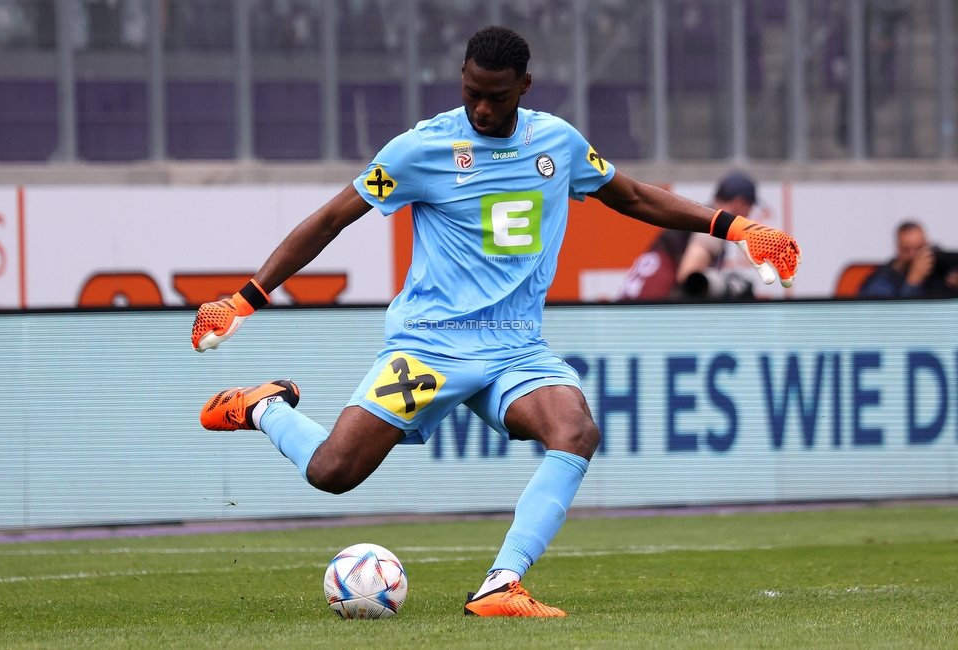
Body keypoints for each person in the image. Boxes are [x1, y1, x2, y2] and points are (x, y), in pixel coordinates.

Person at [190, 26, 801, 617]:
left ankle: (500, 585)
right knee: (332, 472)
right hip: (432, 346)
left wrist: (739, 228)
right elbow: (329, 220)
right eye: (472, 93)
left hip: (516, 349)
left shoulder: (557, 144)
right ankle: (265, 406)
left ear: (525, 86)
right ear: (461, 78)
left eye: (497, 97)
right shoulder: (420, 150)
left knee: (576, 430)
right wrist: (244, 299)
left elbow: (636, 197)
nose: (482, 108)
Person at [674, 172, 762, 299]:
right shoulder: (713, 224)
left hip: (646, 303)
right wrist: (727, 286)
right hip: (655, 308)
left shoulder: (703, 217)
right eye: (750, 207)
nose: (749, 214)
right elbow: (688, 276)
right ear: (739, 202)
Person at [858, 221, 958, 298]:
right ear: (898, 248)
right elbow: (892, 318)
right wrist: (913, 282)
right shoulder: (882, 282)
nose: (914, 255)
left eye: (919, 248)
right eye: (907, 250)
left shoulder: (938, 270)